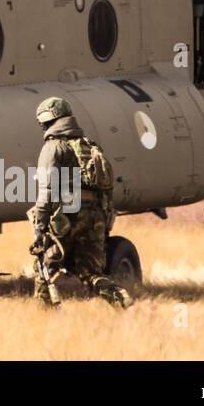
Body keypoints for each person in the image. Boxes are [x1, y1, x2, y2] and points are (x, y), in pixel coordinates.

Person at [28, 96, 132, 309]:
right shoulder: (88, 146)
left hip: (66, 217)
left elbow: (47, 191)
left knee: (44, 266)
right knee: (90, 273)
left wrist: (40, 229)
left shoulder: (53, 147)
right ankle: (122, 300)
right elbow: (106, 189)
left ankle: (43, 315)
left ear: (48, 122)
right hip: (95, 217)